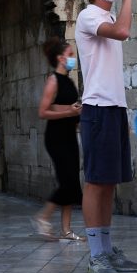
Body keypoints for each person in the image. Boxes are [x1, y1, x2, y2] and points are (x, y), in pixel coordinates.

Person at [74, 0, 137, 273]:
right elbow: (123, 33)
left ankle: (107, 249)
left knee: (110, 182)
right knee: (96, 181)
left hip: (114, 108)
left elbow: (119, 29)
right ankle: (95, 255)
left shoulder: (109, 18)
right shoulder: (89, 16)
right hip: (97, 108)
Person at [31, 37, 83, 241]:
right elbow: (43, 111)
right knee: (67, 181)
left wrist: (76, 115)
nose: (73, 59)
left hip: (70, 134)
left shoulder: (69, 81)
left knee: (71, 181)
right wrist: (69, 112)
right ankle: (42, 217)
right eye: (70, 55)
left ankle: (67, 230)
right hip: (56, 136)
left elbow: (67, 108)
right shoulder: (53, 80)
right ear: (60, 58)